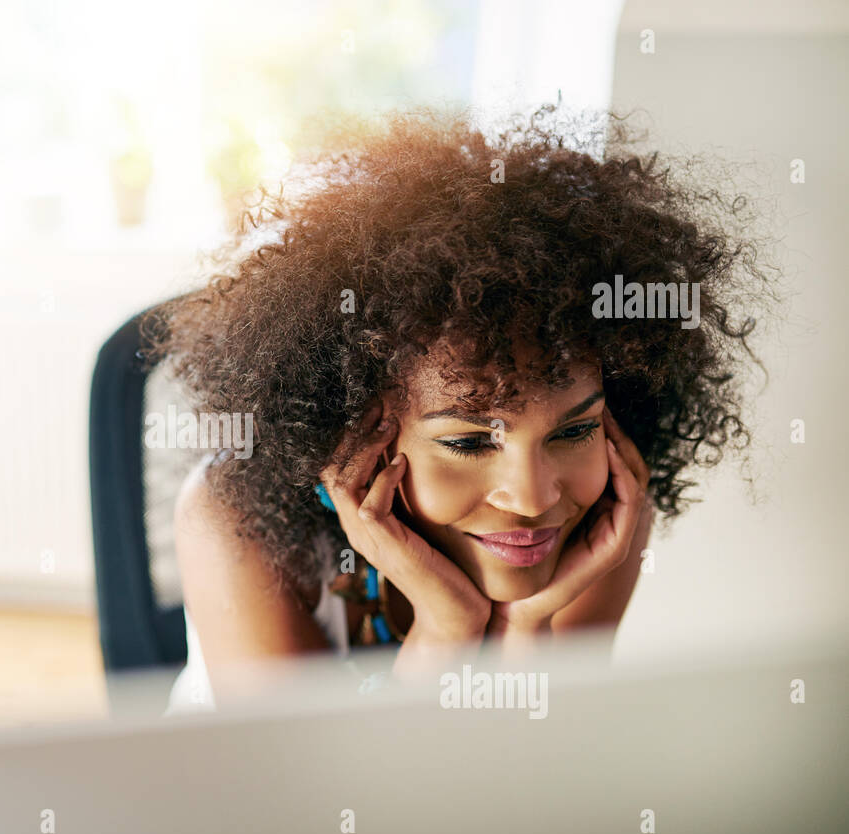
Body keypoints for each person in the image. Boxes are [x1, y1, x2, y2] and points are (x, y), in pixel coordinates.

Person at [141, 105, 775, 713]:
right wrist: (448, 626)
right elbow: (330, 808)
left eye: (575, 429)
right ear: (362, 428)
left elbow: (527, 779)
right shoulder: (232, 517)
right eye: (471, 443)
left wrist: (529, 626)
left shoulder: (609, 507)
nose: (530, 499)